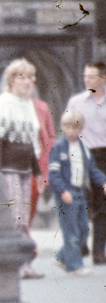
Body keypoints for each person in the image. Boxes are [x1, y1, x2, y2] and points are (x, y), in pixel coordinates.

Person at [0, 58, 43, 279]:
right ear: (12, 80)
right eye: (23, 77)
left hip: (24, 170)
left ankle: (24, 264)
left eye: (31, 77)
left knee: (23, 219)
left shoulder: (28, 105)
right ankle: (15, 266)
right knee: (16, 219)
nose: (29, 82)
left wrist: (37, 172)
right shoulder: (3, 103)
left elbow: (31, 144)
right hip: (8, 169)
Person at [48, 110, 106, 276]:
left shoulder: (83, 147)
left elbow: (92, 169)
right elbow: (53, 173)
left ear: (80, 129)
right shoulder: (59, 147)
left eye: (75, 127)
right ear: (62, 127)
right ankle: (74, 266)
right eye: (67, 127)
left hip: (79, 192)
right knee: (71, 230)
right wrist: (62, 190)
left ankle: (61, 257)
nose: (71, 131)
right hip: (66, 193)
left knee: (83, 230)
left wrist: (103, 181)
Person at [64, 61, 106, 264]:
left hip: (104, 155)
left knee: (102, 203)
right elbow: (67, 127)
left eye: (91, 76)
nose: (87, 80)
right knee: (81, 201)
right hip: (82, 154)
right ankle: (81, 242)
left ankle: (99, 251)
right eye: (85, 76)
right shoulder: (76, 102)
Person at [29, 73, 57, 227]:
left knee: (39, 190)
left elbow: (50, 134)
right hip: (21, 157)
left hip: (41, 155)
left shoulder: (42, 107)